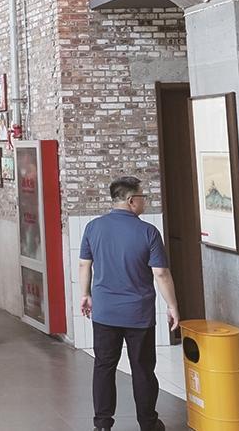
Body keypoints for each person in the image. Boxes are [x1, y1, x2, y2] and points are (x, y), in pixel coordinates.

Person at [79, 176, 180, 431]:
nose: (144, 201)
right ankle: (148, 423)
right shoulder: (148, 232)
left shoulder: (93, 227)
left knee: (104, 366)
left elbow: (84, 265)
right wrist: (172, 306)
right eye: (143, 197)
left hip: (105, 313)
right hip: (138, 314)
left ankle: (103, 425)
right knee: (142, 369)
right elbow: (161, 273)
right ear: (131, 200)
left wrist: (85, 294)